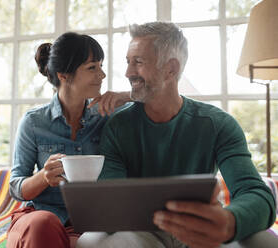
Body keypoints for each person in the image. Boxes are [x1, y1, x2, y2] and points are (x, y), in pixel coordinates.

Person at [76, 22, 276, 248]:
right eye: (128, 62)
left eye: (138, 62)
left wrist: (230, 222)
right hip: (141, 231)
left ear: (171, 69)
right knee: (90, 243)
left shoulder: (218, 124)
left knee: (264, 241)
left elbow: (254, 192)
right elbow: (110, 197)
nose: (128, 72)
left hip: (201, 228)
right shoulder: (118, 127)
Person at [7, 32, 131, 248]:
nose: (102, 75)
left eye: (101, 66)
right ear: (64, 75)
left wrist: (126, 96)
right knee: (42, 224)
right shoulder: (34, 122)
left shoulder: (106, 115)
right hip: (38, 218)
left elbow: (157, 101)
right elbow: (16, 187)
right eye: (92, 67)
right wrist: (44, 177)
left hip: (89, 221)